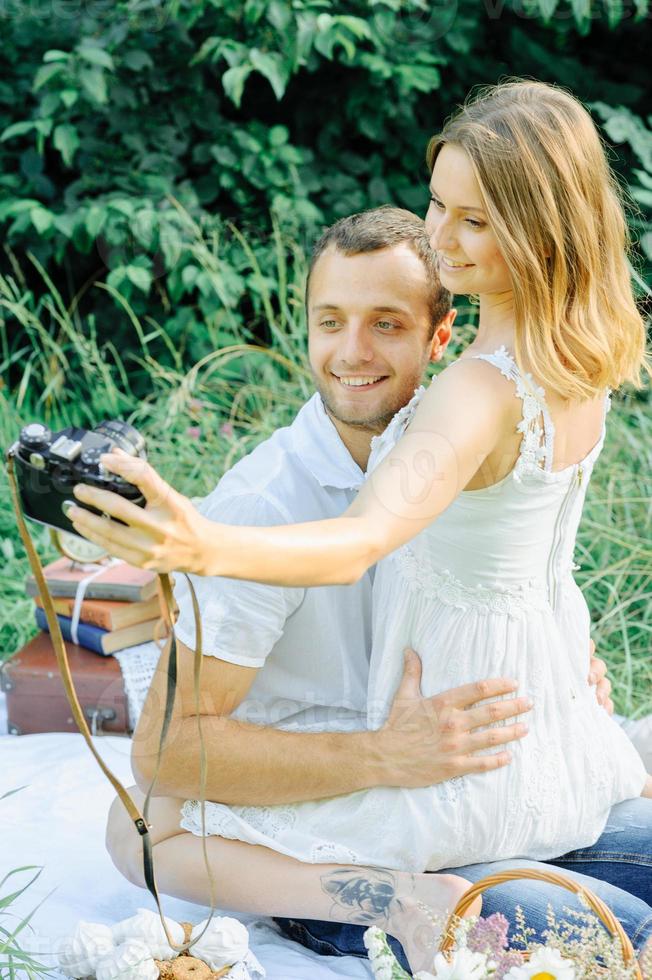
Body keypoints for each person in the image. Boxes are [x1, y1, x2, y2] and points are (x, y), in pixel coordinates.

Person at [75, 83, 652, 973]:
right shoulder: (558, 372)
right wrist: (204, 547)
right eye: (441, 209)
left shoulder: (470, 395)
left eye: (474, 222)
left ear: (439, 331)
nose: (446, 237)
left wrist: (565, 658)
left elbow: (381, 537)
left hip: (485, 771)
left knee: (600, 896)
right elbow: (163, 757)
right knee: (140, 830)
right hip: (460, 786)